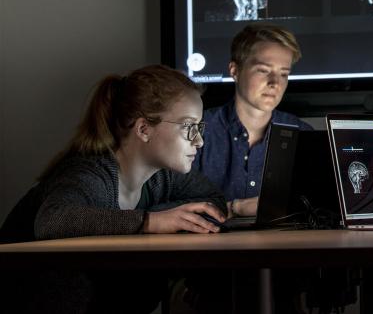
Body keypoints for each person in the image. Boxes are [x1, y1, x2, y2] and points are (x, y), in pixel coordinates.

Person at [0, 65, 227, 313]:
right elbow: (53, 220)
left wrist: (165, 218)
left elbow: (212, 200)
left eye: (199, 127)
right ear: (143, 129)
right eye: (188, 126)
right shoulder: (89, 173)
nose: (199, 140)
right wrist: (150, 222)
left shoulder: (162, 176)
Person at [193, 23, 312, 217]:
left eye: (284, 73)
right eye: (264, 70)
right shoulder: (198, 131)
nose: (275, 83)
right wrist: (235, 208)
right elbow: (171, 208)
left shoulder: (303, 135)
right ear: (234, 71)